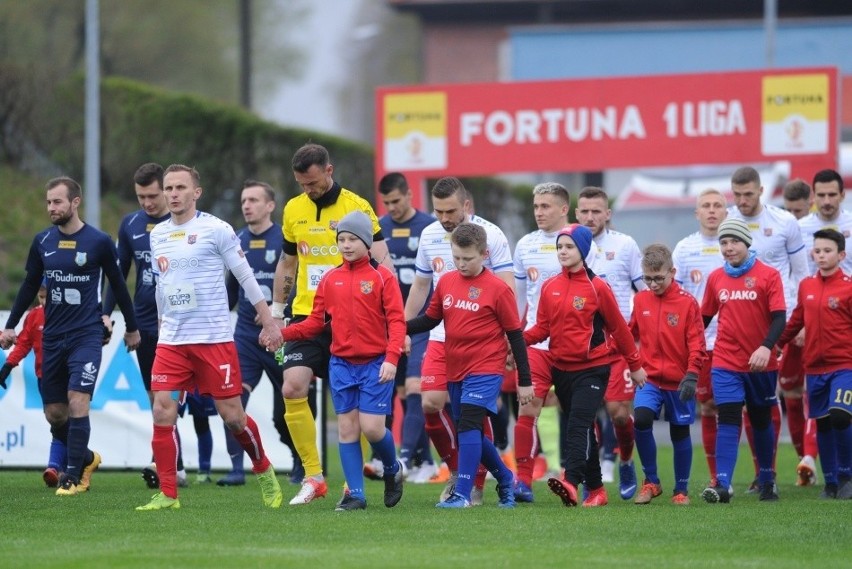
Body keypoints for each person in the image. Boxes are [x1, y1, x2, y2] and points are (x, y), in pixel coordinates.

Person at [135, 164, 284, 511]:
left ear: (195, 193)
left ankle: (263, 469)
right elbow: (162, 286)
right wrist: (160, 327)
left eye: (179, 188)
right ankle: (168, 494)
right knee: (162, 410)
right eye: (168, 188)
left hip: (214, 339)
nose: (172, 194)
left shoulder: (216, 229)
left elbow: (245, 277)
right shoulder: (157, 234)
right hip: (172, 341)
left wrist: (269, 322)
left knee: (232, 416)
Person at [1, 176, 142, 495]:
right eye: (49, 202)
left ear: (75, 202)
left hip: (86, 335)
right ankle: (87, 458)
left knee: (78, 401)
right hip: (53, 337)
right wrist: (11, 324)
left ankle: (72, 477)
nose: (52, 207)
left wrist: (131, 327)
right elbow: (28, 285)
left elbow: (118, 284)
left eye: (58, 201)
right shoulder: (42, 242)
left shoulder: (99, 241)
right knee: (55, 413)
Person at [271, 143, 392, 506]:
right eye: (301, 184)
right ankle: (314, 476)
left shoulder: (357, 206)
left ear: (329, 170)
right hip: (308, 315)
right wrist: (277, 313)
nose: (307, 190)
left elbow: (381, 259)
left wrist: (386, 314)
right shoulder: (293, 209)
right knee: (292, 387)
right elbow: (288, 263)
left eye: (312, 182)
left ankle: (367, 475)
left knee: (358, 418)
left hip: (352, 320)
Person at [281, 211, 406, 511]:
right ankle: (356, 495)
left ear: (366, 241)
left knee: (373, 429)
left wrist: (392, 357)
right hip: (341, 365)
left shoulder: (383, 277)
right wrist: (282, 333)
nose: (346, 245)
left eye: (353, 239)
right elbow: (314, 323)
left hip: (376, 364)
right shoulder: (330, 278)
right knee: (348, 429)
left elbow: (398, 322)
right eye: (342, 240)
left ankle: (393, 468)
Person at [404, 176, 515, 504]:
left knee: (472, 415)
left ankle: (474, 482)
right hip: (441, 335)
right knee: (429, 404)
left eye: (450, 210)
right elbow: (421, 286)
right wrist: (403, 329)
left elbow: (506, 287)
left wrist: (509, 338)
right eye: (438, 211)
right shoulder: (428, 235)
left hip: (482, 340)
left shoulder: (491, 235)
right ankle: (458, 471)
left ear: (466, 205)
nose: (444, 218)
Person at [524, 223, 647, 507]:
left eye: (568, 247)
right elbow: (542, 328)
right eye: (559, 247)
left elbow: (620, 329)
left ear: (583, 249)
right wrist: (517, 340)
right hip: (561, 369)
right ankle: (596, 490)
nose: (562, 252)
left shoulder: (598, 287)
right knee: (584, 428)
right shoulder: (550, 286)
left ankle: (570, 479)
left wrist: (635, 364)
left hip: (593, 369)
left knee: (578, 424)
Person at [101, 162, 197, 489]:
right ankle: (175, 466)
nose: (148, 203)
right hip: (144, 325)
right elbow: (117, 275)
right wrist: (106, 313)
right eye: (141, 196)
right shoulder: (130, 225)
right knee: (155, 397)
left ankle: (167, 464)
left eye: (153, 195)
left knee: (168, 398)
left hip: (183, 324)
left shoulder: (188, 224)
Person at [511, 182, 596, 502]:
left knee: (579, 415)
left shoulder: (584, 244)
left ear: (563, 209)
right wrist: (514, 341)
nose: (539, 212)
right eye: (535, 206)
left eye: (545, 206)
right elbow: (520, 301)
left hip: (574, 348)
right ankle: (523, 481)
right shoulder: (525, 245)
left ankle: (589, 478)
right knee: (528, 406)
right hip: (536, 344)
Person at [728, 166, 808, 492]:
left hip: (782, 322)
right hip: (743, 322)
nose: (743, 201)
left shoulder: (784, 222)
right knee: (753, 401)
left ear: (761, 191)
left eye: (749, 194)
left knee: (785, 395)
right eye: (738, 195)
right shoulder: (728, 221)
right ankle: (763, 471)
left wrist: (803, 320)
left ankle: (796, 465)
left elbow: (801, 274)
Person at [220, 180, 304, 487]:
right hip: (245, 336)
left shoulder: (286, 238)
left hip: (283, 336)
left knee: (284, 413)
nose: (247, 205)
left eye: (254, 200)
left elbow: (299, 281)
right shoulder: (236, 239)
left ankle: (300, 461)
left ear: (270, 206)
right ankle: (237, 469)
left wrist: (274, 310)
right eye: (244, 200)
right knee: (233, 399)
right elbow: (230, 289)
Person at [700, 218, 786, 504]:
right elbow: (704, 318)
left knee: (761, 419)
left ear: (746, 243)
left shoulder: (769, 275)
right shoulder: (715, 278)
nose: (728, 247)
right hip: (725, 360)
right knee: (728, 416)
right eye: (723, 242)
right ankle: (722, 485)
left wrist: (766, 347)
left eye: (734, 241)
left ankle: (767, 479)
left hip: (761, 364)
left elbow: (779, 318)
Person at [575, 186, 646, 499]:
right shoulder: (566, 245)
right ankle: (591, 478)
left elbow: (644, 291)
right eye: (585, 211)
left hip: (617, 345)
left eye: (596, 211)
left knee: (618, 413)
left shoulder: (625, 245)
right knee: (584, 415)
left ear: (607, 214)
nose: (590, 217)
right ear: (576, 213)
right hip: (581, 347)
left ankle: (625, 459)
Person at [629, 244, 707, 505]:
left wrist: (693, 374)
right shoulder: (640, 300)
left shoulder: (687, 303)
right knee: (640, 419)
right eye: (647, 278)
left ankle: (680, 490)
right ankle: (651, 481)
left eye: (658, 278)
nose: (652, 284)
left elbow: (697, 342)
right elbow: (631, 334)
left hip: (679, 380)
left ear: (672, 272)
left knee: (680, 431)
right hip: (649, 378)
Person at [777, 228, 852, 499]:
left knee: (841, 416)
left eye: (827, 251)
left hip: (844, 366)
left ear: (841, 255)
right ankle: (831, 482)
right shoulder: (807, 285)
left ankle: (847, 476)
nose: (821, 255)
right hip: (814, 368)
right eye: (817, 251)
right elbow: (796, 320)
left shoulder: (849, 287)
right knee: (822, 423)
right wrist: (773, 345)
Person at [377, 172, 437, 482]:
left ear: (410, 195)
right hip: (388, 324)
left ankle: (400, 459)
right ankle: (424, 461)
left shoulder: (429, 226)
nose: (391, 208)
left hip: (422, 322)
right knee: (400, 391)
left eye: (396, 201)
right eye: (386, 203)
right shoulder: (379, 229)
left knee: (416, 387)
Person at [672, 188, 727, 488]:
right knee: (707, 406)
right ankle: (715, 476)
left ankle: (762, 474)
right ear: (696, 213)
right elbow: (676, 297)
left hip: (733, 340)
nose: (711, 210)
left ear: (725, 212)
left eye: (717, 205)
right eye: (705, 205)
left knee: (738, 405)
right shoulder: (684, 249)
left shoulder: (734, 247)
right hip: (701, 342)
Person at [0, 281, 68, 486]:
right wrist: (8, 366)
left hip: (69, 374)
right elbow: (24, 344)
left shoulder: (70, 315)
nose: (44, 301)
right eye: (41, 297)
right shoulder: (34, 316)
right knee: (56, 420)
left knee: (65, 418)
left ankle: (56, 466)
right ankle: (82, 461)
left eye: (47, 296)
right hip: (44, 376)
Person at [780, 177, 824, 486]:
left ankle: (813, 456)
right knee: (791, 394)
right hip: (789, 321)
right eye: (789, 211)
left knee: (815, 392)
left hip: (822, 320)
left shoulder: (816, 233)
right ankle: (803, 461)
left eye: (798, 211)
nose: (793, 217)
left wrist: (809, 320)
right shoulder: (781, 228)